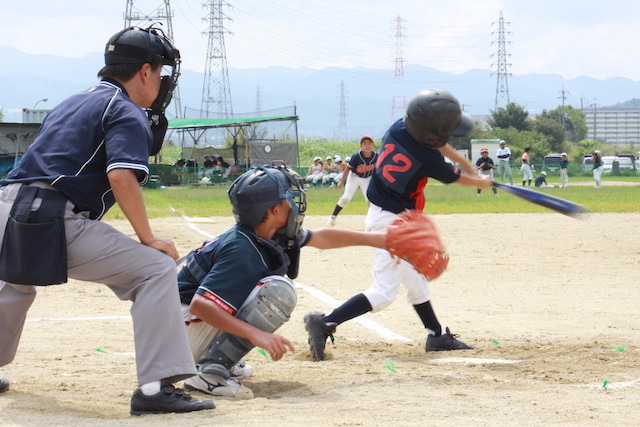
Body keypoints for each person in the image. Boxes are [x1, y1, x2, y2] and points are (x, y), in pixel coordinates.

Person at [0, 27, 213, 415]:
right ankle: (154, 390)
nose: (163, 83)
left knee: (14, 283)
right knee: (154, 269)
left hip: (6, 208)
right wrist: (147, 237)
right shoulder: (125, 109)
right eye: (161, 73)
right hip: (48, 217)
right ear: (145, 72)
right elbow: (121, 176)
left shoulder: (72, 101)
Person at [304, 89, 494, 362]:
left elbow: (437, 144)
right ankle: (326, 322)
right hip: (392, 224)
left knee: (416, 281)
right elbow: (454, 176)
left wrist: (468, 165)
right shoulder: (427, 158)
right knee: (383, 293)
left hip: (389, 214)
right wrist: (480, 181)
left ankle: (437, 334)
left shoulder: (398, 129)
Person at [178, 165, 389, 398]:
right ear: (274, 210)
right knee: (277, 291)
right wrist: (255, 334)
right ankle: (210, 372)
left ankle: (219, 356)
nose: (295, 203)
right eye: (289, 197)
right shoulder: (243, 249)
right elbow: (201, 304)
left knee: (264, 287)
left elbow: (321, 237)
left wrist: (382, 240)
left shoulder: (265, 233)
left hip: (182, 324)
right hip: (178, 332)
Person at [327, 135, 378, 226]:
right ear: (361, 146)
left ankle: (372, 221)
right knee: (346, 198)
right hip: (354, 177)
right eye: (364, 143)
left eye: (369, 143)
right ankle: (333, 217)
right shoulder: (356, 156)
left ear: (373, 145)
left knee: (370, 200)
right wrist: (342, 181)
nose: (367, 145)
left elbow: (380, 169)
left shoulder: (376, 156)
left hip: (367, 179)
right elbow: (348, 169)